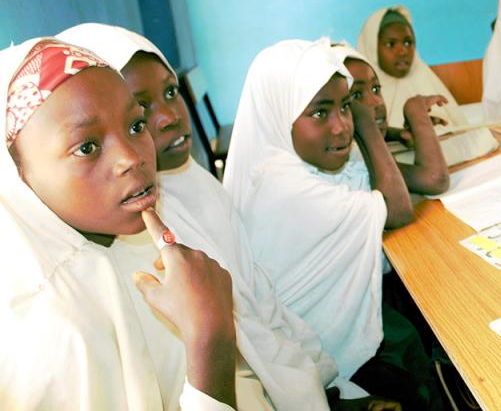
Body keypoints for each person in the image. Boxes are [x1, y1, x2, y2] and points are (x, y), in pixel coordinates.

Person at [58, 23, 402, 411]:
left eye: (171, 92)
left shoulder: (197, 186)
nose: (170, 116)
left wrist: (331, 387)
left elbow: (262, 304)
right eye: (141, 111)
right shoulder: (129, 240)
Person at [0, 38, 239, 410]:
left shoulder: (133, 247)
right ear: (18, 177)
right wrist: (212, 340)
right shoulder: (48, 336)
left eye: (135, 125)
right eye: (87, 147)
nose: (132, 157)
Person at [223, 38, 443, 410]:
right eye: (320, 113)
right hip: (323, 356)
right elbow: (397, 209)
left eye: (345, 107)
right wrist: (368, 128)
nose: (342, 126)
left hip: (318, 339)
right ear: (280, 113)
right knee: (419, 358)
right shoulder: (282, 184)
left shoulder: (293, 163)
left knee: (418, 324)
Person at [331, 43, 449, 195]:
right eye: (356, 95)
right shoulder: (352, 160)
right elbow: (435, 180)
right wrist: (416, 112)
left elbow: (361, 129)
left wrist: (396, 134)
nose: (377, 102)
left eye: (376, 89)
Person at [357, 5, 466, 129]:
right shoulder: (361, 94)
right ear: (372, 47)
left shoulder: (425, 80)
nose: (402, 51)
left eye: (408, 42)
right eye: (391, 44)